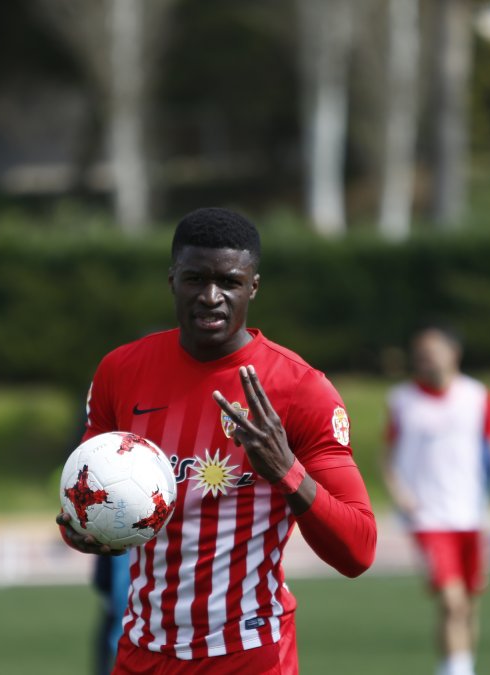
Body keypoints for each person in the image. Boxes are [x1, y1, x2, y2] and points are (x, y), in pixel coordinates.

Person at [56, 207, 377, 673]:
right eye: (195, 279)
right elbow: (84, 502)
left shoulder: (300, 390)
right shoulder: (120, 373)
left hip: (249, 655)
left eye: (228, 281)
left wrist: (287, 471)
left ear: (253, 286)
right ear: (172, 280)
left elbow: (359, 550)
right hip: (142, 652)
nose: (211, 296)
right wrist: (84, 529)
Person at [382, 325, 490, 675]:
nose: (424, 358)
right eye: (420, 352)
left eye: (432, 350)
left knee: (468, 606)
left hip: (471, 516)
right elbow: (387, 459)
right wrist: (401, 495)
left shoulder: (477, 397)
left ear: (453, 353)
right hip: (427, 519)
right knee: (452, 602)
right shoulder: (402, 400)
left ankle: (458, 665)